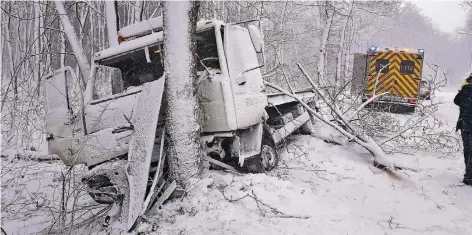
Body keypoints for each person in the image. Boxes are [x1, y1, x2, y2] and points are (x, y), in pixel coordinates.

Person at [454, 73, 472, 186]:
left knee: (468, 149)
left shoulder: (464, 90)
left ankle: (468, 174)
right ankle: (469, 176)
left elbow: (456, 101)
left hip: (465, 123)